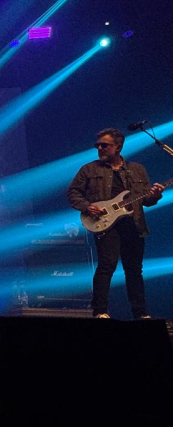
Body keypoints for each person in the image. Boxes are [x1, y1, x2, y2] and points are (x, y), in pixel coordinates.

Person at [67, 128, 164, 319]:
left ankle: (140, 313)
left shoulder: (137, 169)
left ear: (118, 146)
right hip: (105, 223)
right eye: (97, 145)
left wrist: (155, 195)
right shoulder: (89, 169)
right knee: (106, 266)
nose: (99, 148)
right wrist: (87, 207)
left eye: (104, 145)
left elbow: (146, 200)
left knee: (134, 270)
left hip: (133, 224)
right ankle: (100, 311)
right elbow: (73, 193)